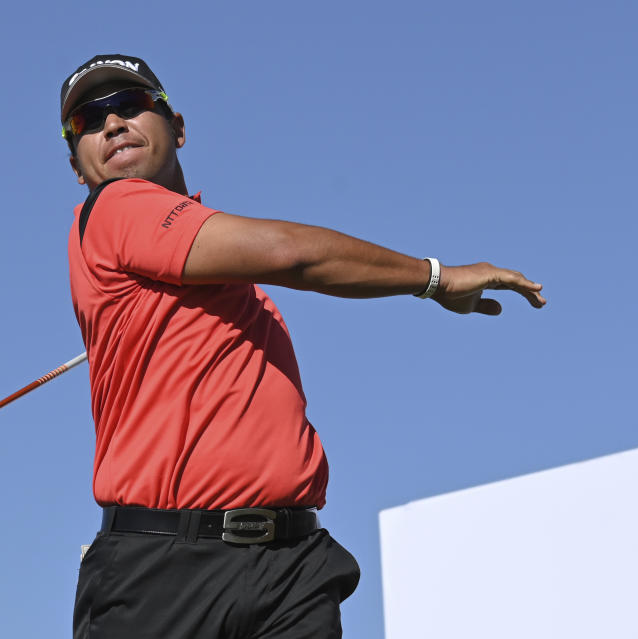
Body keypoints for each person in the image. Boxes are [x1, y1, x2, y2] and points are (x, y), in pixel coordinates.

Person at [61, 54, 545, 639]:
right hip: (166, 573)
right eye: (88, 119)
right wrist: (436, 277)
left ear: (179, 127)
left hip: (290, 563)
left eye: (131, 106)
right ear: (76, 166)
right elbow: (295, 254)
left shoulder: (228, 290)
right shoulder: (115, 205)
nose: (112, 124)